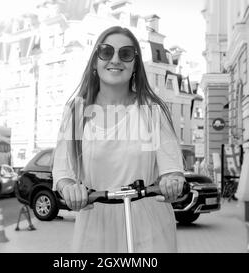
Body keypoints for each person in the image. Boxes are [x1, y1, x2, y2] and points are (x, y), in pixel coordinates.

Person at [52, 26, 186, 253]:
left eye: (125, 54)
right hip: (96, 227)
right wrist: (69, 189)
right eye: (106, 52)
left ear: (135, 65)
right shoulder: (77, 112)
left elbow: (171, 168)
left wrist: (172, 181)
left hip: (148, 230)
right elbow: (63, 172)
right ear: (95, 61)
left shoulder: (150, 111)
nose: (115, 59)